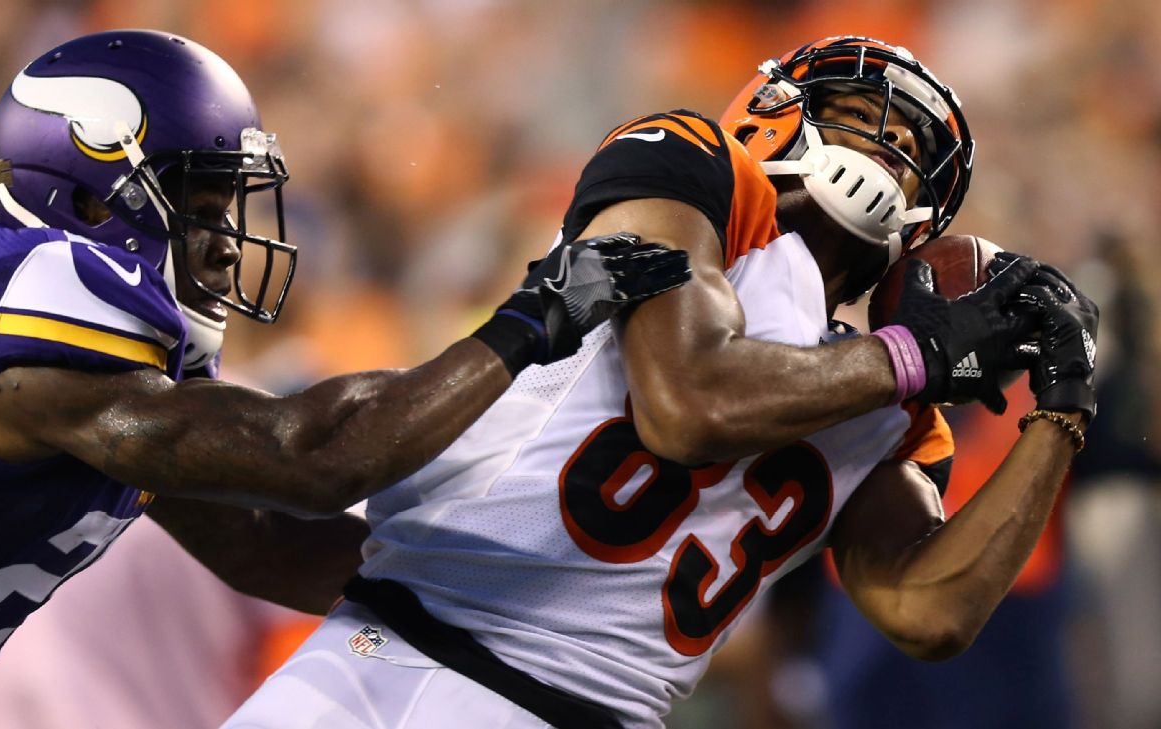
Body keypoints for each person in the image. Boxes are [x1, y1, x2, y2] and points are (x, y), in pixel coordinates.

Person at [221, 36, 1100, 729]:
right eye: (863, 114)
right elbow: (688, 405)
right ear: (773, 111)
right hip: (403, 662)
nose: (891, 146)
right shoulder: (699, 171)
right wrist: (913, 359)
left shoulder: (893, 411)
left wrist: (1062, 411)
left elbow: (927, 610)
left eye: (911, 148)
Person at [0, 29, 692, 727]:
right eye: (201, 205)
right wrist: (529, 322)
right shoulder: (38, 353)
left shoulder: (88, 378)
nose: (226, 242)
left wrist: (510, 616)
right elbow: (309, 457)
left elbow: (260, 539)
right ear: (89, 204)